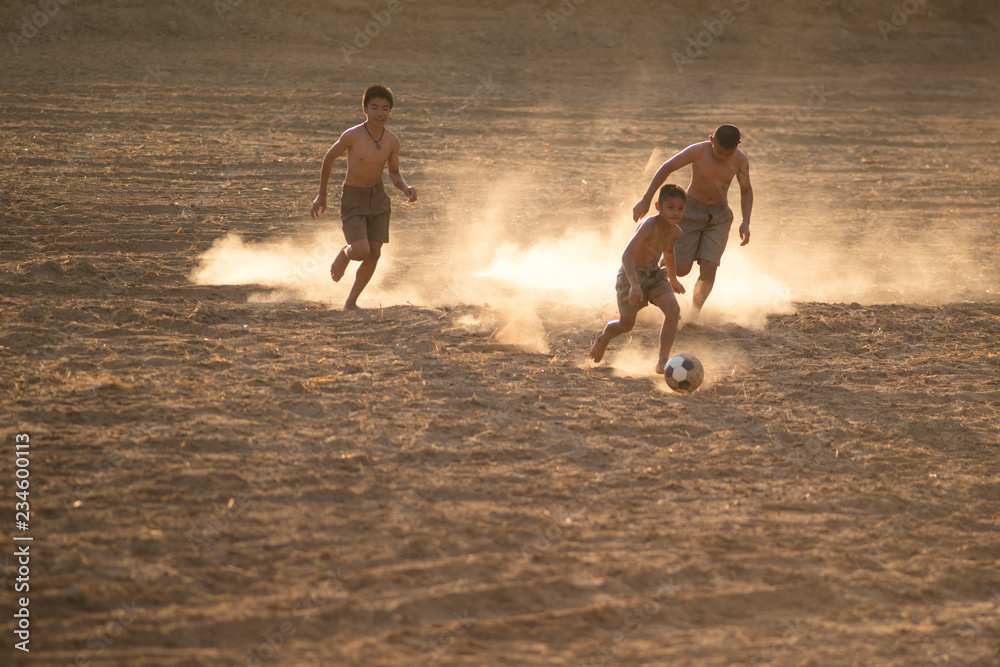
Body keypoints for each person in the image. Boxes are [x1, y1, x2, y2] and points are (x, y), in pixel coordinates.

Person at [310, 84, 417, 310]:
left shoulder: (392, 141)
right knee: (360, 250)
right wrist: (321, 195)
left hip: (378, 198)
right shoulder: (352, 135)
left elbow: (394, 173)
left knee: (375, 252)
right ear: (365, 109)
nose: (380, 113)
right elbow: (329, 158)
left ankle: (351, 302)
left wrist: (406, 188)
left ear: (390, 112)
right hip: (353, 198)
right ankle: (345, 253)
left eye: (385, 109)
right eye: (375, 107)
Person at [632, 124, 753, 318]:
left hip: (719, 217)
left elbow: (746, 190)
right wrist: (646, 199)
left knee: (709, 268)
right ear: (712, 140)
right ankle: (656, 282)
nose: (722, 157)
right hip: (689, 213)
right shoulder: (697, 151)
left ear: (737, 146)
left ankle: (694, 314)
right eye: (719, 151)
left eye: (727, 153)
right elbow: (667, 168)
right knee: (680, 269)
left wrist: (746, 221)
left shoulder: (740, 160)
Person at [590, 184, 688, 375]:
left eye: (680, 208)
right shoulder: (648, 226)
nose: (676, 212)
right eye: (671, 207)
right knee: (626, 325)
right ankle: (604, 337)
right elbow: (626, 255)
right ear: (658, 207)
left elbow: (668, 251)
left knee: (674, 310)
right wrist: (635, 285)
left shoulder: (676, 232)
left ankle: (663, 361)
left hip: (654, 273)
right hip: (631, 275)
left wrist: (673, 278)